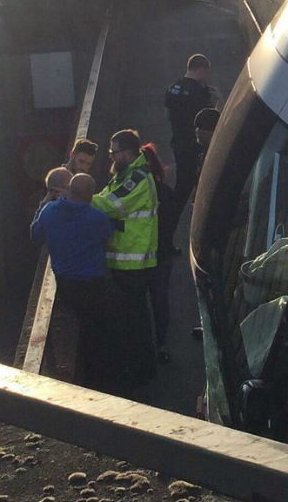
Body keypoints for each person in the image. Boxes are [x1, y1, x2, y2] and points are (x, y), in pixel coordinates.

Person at [31, 171, 124, 393]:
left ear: (68, 190)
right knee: (104, 328)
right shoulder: (96, 218)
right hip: (94, 284)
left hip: (66, 285)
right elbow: (109, 235)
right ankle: (106, 380)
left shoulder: (49, 211)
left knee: (81, 329)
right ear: (91, 195)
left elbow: (35, 235)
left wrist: (43, 203)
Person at [94, 129, 160, 386]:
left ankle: (141, 370)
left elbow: (112, 205)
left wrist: (79, 198)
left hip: (133, 258)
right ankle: (139, 367)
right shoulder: (127, 174)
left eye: (114, 151)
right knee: (133, 316)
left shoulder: (137, 178)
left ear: (128, 152)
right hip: (126, 257)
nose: (111, 156)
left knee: (135, 318)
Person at [139, 142, 183, 365]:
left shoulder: (131, 194)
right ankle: (161, 344)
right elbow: (169, 225)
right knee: (159, 301)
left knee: (141, 303)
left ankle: (147, 347)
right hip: (160, 256)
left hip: (140, 257)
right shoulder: (165, 192)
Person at [166, 54, 218, 206]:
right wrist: (219, 99)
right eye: (206, 72)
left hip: (178, 142)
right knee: (201, 181)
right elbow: (212, 119)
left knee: (182, 181)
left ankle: (175, 209)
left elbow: (167, 115)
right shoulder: (199, 93)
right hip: (196, 145)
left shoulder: (172, 89)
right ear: (201, 70)